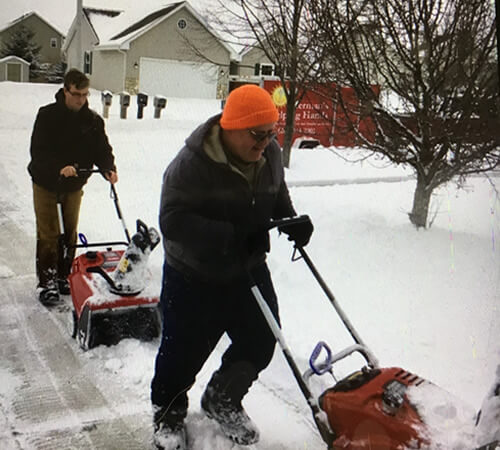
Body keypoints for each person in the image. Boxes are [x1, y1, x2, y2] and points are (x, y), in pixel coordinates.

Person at [150, 84, 314, 449]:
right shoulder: (190, 165)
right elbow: (173, 221)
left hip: (247, 267)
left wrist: (290, 220)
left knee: (261, 337)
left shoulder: (267, 153)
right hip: (194, 273)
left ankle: (222, 398)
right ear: (231, 127)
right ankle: (168, 416)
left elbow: (275, 192)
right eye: (258, 134)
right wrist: (232, 236)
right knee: (182, 353)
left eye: (271, 133)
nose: (266, 143)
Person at [28, 68, 118, 306]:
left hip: (74, 184)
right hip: (46, 181)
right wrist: (60, 166)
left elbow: (102, 149)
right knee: (49, 233)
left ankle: (63, 275)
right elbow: (39, 151)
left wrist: (108, 167)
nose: (81, 99)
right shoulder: (47, 116)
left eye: (85, 94)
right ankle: (46, 281)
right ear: (65, 91)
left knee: (69, 233)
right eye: (76, 94)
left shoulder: (93, 121)